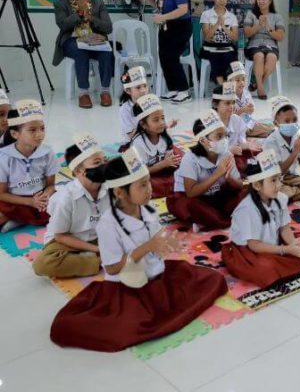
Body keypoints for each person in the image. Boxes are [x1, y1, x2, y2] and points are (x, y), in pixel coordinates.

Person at [49, 149, 228, 352]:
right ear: (119, 192)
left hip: (157, 274)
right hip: (128, 286)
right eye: (142, 185)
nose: (149, 189)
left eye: (149, 182)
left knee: (212, 280)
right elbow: (113, 268)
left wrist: (168, 243)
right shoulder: (108, 224)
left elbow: (157, 238)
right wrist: (147, 248)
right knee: (127, 329)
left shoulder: (148, 209)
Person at [222, 149, 300, 288]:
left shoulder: (279, 198)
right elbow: (254, 245)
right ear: (257, 185)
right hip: (250, 251)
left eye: (279, 178)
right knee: (266, 268)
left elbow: (284, 228)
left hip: (276, 241)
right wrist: (286, 250)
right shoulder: (246, 210)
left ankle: (297, 261)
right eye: (273, 181)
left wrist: (294, 245)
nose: (279, 185)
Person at [33, 134, 107, 278]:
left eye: (105, 160)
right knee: (43, 264)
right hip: (69, 239)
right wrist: (98, 249)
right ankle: (98, 260)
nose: (104, 166)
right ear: (79, 171)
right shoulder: (66, 198)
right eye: (97, 162)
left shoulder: (110, 188)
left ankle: (92, 258)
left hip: (98, 235)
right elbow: (61, 236)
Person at [166, 110, 244, 230]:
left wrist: (229, 178)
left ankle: (211, 219)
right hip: (193, 198)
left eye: (225, 136)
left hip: (217, 195)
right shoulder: (190, 159)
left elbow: (239, 185)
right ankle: (218, 219)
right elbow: (191, 192)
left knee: (247, 193)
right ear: (203, 140)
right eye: (219, 136)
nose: (224, 140)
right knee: (193, 206)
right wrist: (217, 174)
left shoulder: (226, 154)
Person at [53, 0, 114, 109]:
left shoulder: (98, 4)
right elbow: (62, 25)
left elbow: (108, 28)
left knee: (107, 51)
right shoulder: (61, 4)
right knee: (81, 52)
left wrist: (90, 17)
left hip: (94, 40)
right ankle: (83, 93)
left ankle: (105, 91)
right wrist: (80, 12)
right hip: (72, 40)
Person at [139, 0, 193, 104]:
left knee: (172, 56)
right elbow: (159, 6)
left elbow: (183, 9)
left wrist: (163, 17)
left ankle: (184, 90)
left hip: (180, 27)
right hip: (166, 27)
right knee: (163, 56)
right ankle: (173, 89)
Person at [0, 100, 59, 232]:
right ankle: (17, 217)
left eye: (42, 128)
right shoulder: (4, 157)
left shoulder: (47, 153)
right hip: (14, 200)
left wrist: (45, 196)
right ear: (15, 134)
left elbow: (50, 185)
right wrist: (30, 202)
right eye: (32, 130)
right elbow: (2, 194)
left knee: (64, 204)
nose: (39, 134)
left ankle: (18, 219)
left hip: (39, 197)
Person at [264, 96, 300, 202]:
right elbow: (279, 171)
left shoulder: (296, 136)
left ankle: (291, 194)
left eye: (295, 120)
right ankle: (292, 194)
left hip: (291, 178)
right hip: (275, 179)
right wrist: (295, 152)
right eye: (287, 121)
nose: (291, 123)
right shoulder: (270, 142)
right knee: (269, 192)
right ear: (276, 123)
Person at [130, 94, 183, 199]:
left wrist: (173, 162)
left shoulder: (165, 135)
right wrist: (164, 164)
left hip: (164, 169)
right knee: (141, 184)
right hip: (147, 173)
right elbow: (141, 171)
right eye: (156, 120)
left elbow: (169, 157)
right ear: (143, 124)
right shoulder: (138, 144)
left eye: (162, 118)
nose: (162, 123)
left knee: (184, 161)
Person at [244, 0, 285, 99]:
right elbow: (247, 33)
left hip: (271, 45)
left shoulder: (277, 17)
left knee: (272, 57)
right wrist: (258, 26)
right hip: (253, 45)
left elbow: (280, 36)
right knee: (259, 55)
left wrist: (267, 26)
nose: (261, 1)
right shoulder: (250, 14)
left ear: (270, 0)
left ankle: (257, 83)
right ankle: (261, 89)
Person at [211, 82, 259, 174]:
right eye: (227, 103)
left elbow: (241, 141)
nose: (231, 106)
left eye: (233, 102)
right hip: (217, 157)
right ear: (215, 104)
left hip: (235, 153)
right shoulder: (210, 123)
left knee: (257, 153)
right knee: (229, 167)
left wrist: (246, 145)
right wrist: (228, 150)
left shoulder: (237, 120)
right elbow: (210, 150)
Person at [200, 0, 239, 86]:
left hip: (227, 46)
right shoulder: (206, 14)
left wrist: (224, 27)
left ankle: (226, 86)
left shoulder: (232, 17)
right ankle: (223, 86)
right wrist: (217, 23)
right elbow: (207, 37)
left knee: (229, 57)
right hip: (210, 47)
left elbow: (235, 38)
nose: (222, 0)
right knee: (215, 57)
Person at [226, 61, 272, 138]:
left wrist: (251, 108)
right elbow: (228, 119)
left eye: (243, 79)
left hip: (248, 122)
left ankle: (262, 132)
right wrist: (242, 110)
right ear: (229, 81)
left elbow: (252, 109)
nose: (241, 82)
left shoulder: (246, 93)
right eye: (237, 80)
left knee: (266, 126)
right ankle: (267, 131)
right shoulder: (228, 97)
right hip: (235, 126)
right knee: (267, 127)